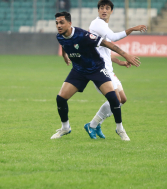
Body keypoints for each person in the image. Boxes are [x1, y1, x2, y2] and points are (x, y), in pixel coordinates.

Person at [51, 11, 141, 141]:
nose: (58, 25)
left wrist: (125, 55)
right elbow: (64, 44)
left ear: (69, 23)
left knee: (113, 98)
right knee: (60, 98)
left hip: (96, 69)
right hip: (78, 71)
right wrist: (65, 56)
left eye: (61, 22)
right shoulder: (59, 36)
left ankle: (120, 129)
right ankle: (65, 128)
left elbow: (106, 43)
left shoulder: (83, 35)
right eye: (57, 23)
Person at [83, 0, 147, 139]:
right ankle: (102, 126)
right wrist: (132, 29)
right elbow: (113, 37)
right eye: (101, 8)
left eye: (107, 8)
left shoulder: (103, 27)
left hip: (109, 70)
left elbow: (103, 51)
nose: (104, 10)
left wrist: (119, 62)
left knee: (122, 99)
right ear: (98, 10)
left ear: (112, 11)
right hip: (99, 71)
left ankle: (93, 124)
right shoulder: (97, 23)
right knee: (116, 99)